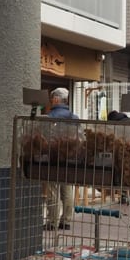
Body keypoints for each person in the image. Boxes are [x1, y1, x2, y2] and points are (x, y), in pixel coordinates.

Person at [44, 87, 78, 230]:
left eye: (52, 99)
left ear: (56, 99)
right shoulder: (74, 117)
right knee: (67, 188)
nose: (51, 101)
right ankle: (67, 221)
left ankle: (52, 222)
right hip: (69, 158)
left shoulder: (49, 117)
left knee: (52, 189)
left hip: (53, 157)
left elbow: (43, 137)